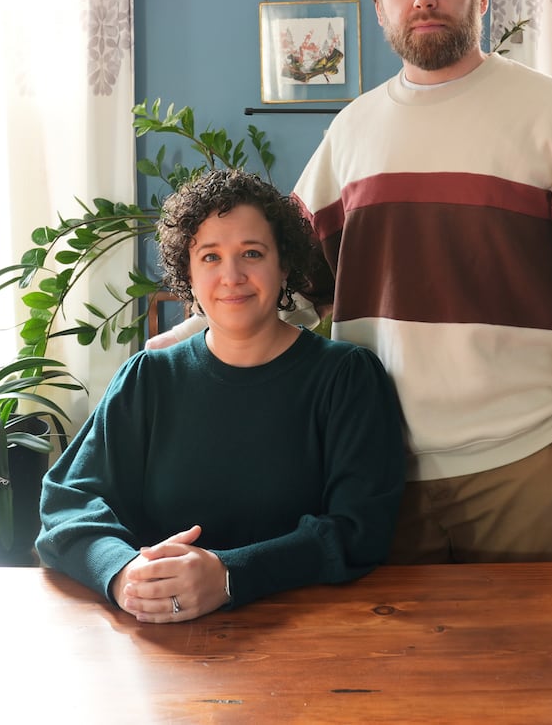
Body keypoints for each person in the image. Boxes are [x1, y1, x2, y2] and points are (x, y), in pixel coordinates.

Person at [290, 0, 552, 564]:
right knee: (399, 670)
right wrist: (193, 337)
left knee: (532, 668)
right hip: (381, 471)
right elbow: (285, 282)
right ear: (379, 5)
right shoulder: (353, 133)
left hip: (528, 465)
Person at [37, 168, 405, 622]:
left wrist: (231, 575)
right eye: (210, 257)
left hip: (312, 630)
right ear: (187, 274)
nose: (232, 276)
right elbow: (66, 502)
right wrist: (122, 571)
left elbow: (360, 528)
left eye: (252, 253)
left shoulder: (347, 377)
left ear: (284, 264)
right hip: (162, 637)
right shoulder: (148, 379)